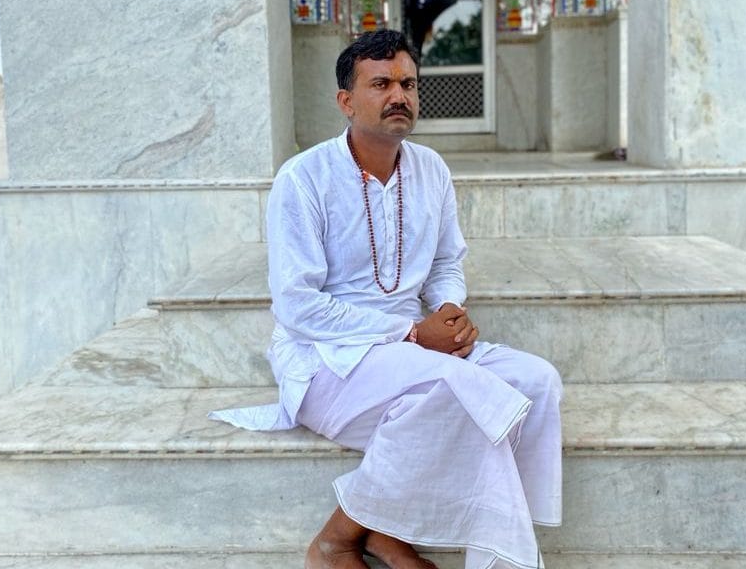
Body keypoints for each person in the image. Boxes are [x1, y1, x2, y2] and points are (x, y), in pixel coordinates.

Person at [210, 29, 562, 569]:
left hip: (411, 354)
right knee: (459, 389)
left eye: (408, 84)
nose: (399, 95)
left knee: (537, 382)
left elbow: (445, 263)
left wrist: (448, 309)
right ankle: (335, 541)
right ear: (346, 101)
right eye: (381, 84)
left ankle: (429, 537)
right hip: (328, 359)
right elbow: (297, 306)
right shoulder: (303, 179)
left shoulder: (431, 169)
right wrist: (413, 333)